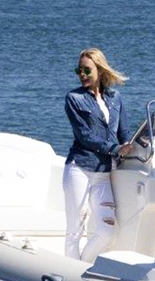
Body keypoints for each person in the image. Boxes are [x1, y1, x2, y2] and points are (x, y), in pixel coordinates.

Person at [63, 48, 134, 262]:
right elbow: (85, 136)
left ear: (100, 70)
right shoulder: (74, 99)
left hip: (103, 173)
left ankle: (82, 266)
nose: (82, 74)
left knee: (107, 230)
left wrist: (131, 145)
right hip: (80, 168)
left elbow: (124, 132)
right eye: (79, 70)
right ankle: (71, 272)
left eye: (87, 70)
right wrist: (115, 149)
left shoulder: (115, 98)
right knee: (75, 229)